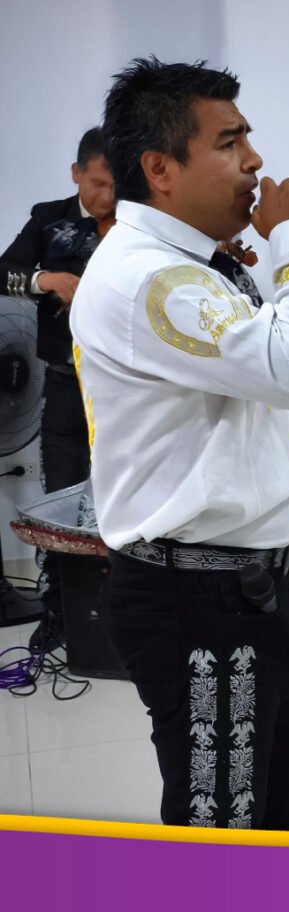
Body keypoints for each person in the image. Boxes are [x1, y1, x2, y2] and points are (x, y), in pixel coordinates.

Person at [71, 57, 289, 830]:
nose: (254, 161)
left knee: (285, 785)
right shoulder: (152, 278)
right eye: (229, 142)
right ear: (161, 169)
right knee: (224, 817)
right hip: (198, 601)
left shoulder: (192, 265)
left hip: (240, 587)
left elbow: (230, 388)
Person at [0, 128, 115, 651]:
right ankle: (61, 613)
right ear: (76, 174)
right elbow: (4, 271)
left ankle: (128, 613)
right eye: (97, 184)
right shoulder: (49, 218)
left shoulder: (139, 220)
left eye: (116, 185)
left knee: (126, 496)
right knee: (62, 498)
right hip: (66, 384)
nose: (107, 197)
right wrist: (45, 279)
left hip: (125, 390)